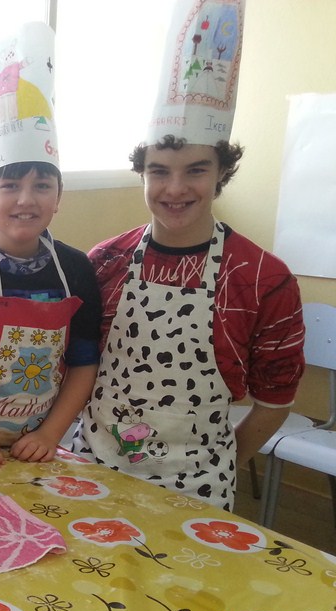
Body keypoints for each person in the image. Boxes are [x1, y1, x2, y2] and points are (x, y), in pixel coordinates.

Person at [74, 0, 304, 510]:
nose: (175, 189)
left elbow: (274, 401)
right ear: (142, 174)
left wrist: (216, 465)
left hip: (198, 484)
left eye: (196, 170)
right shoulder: (105, 261)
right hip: (94, 467)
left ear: (222, 173)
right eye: (159, 171)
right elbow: (78, 366)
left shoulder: (263, 278)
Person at [0, 22, 101, 469]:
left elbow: (83, 362)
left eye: (42, 185)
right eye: (10, 185)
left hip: (38, 450)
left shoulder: (76, 269)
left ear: (59, 196)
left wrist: (50, 435)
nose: (27, 200)